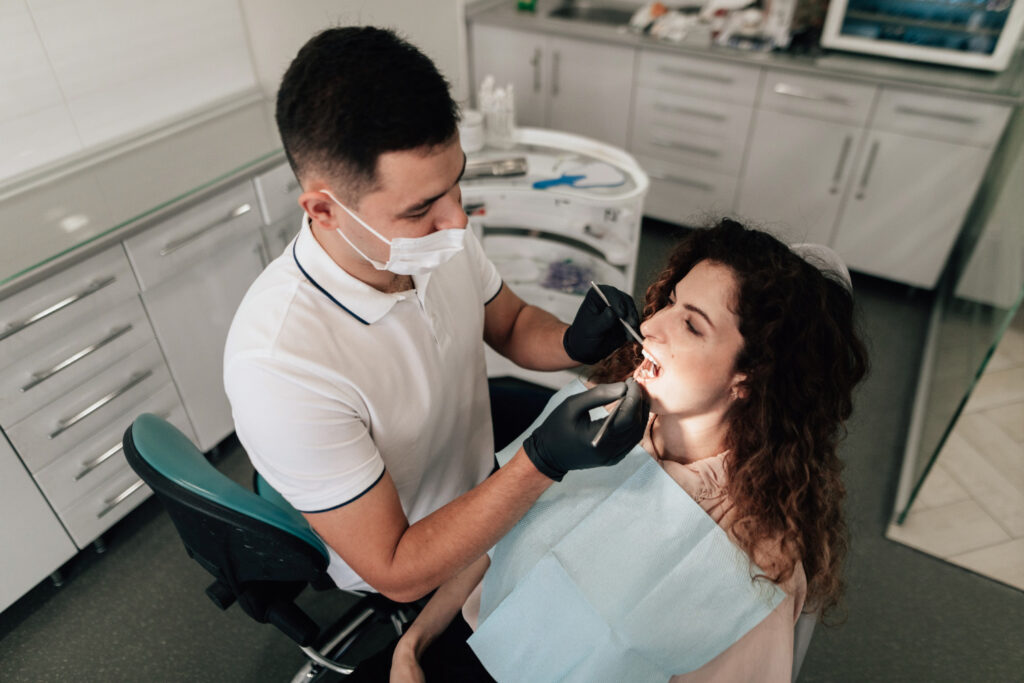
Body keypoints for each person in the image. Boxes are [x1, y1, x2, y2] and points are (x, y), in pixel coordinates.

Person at [223, 25, 649, 605]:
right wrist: (539, 461)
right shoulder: (280, 365)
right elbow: (396, 570)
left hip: (483, 476)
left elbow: (512, 324)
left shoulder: (432, 241)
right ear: (324, 209)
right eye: (422, 206)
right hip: (424, 556)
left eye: (456, 183)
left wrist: (574, 343)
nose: (458, 220)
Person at [384, 219, 869, 682]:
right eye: (670, 303)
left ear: (750, 376)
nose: (653, 326)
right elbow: (490, 539)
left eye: (692, 326)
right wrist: (413, 645)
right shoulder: (591, 418)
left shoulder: (756, 564)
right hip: (456, 649)